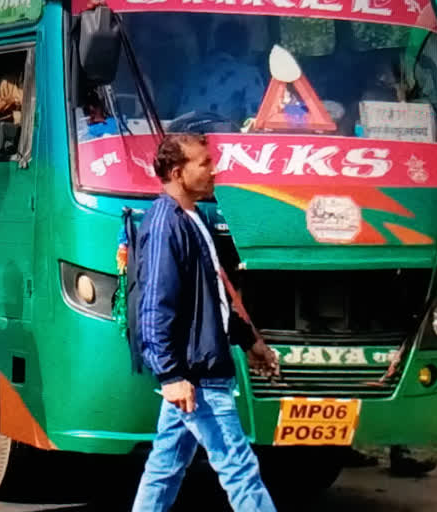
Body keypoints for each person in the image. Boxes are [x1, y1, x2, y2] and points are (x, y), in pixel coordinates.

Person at [131, 134, 279, 512]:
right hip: (198, 376)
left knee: (164, 470)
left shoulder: (192, 218)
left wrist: (249, 342)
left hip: (195, 372)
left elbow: (213, 297)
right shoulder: (167, 224)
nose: (215, 169)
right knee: (240, 471)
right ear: (178, 173)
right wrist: (170, 375)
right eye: (205, 163)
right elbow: (154, 306)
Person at [174, 20, 265, 124]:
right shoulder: (249, 75)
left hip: (178, 135)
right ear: (244, 45)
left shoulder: (193, 71)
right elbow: (256, 121)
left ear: (217, 42)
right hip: (218, 136)